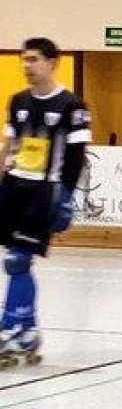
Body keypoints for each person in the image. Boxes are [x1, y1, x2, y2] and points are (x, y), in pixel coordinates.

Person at [0, 37, 92, 366]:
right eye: (24, 60)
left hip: (45, 190)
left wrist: (65, 196)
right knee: (16, 262)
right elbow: (10, 144)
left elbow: (77, 156)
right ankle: (26, 332)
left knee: (16, 260)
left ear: (53, 62)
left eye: (34, 60)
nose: (27, 66)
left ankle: (9, 328)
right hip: (15, 186)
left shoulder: (71, 105)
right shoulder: (17, 100)